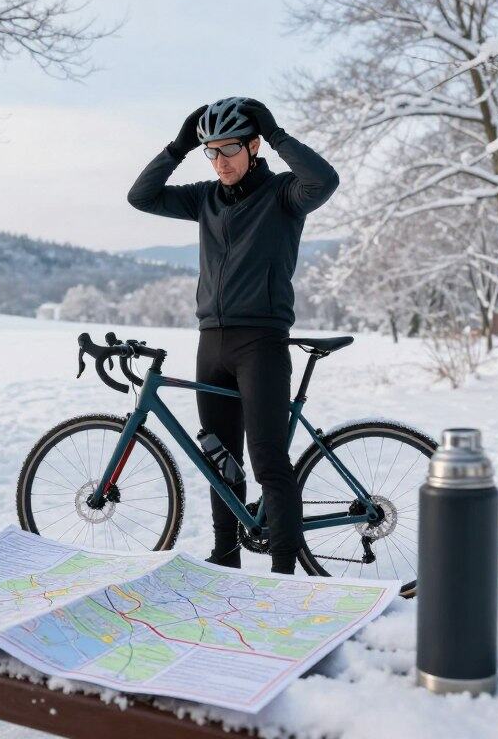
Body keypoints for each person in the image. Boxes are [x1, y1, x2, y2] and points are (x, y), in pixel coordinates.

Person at [126, 96, 339, 573]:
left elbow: (324, 181)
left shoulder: (284, 195)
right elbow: (140, 197)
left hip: (260, 342)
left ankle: (284, 570)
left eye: (230, 150)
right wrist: (177, 147)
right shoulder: (203, 198)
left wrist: (280, 135)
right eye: (211, 152)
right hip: (211, 342)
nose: (221, 162)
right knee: (220, 462)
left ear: (254, 146)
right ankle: (226, 559)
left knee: (268, 461)